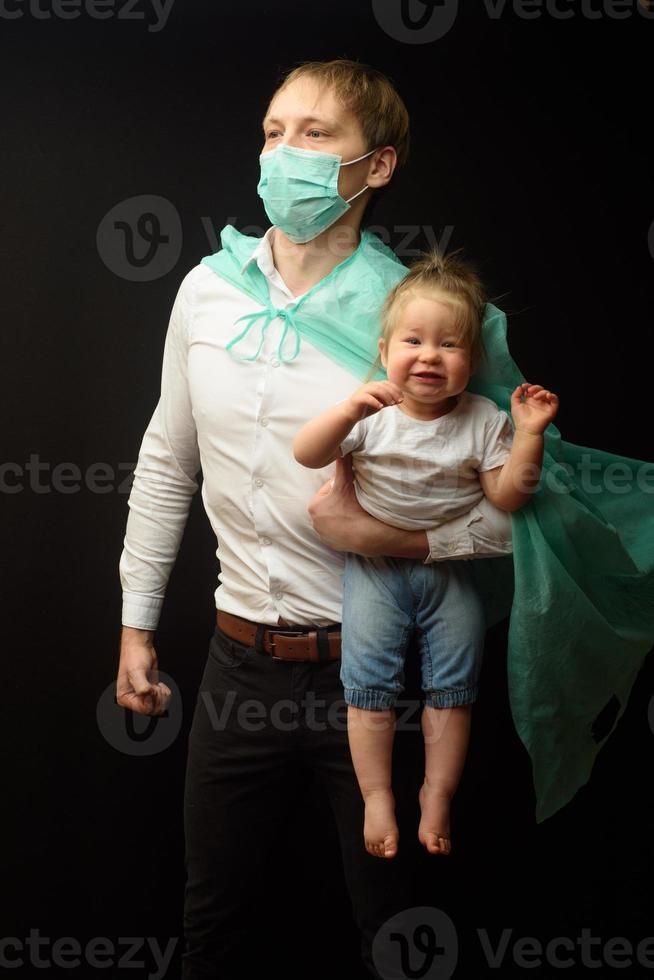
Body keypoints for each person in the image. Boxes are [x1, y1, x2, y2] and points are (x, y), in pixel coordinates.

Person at [115, 59, 515, 980]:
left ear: (377, 166)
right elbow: (168, 460)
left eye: (314, 134)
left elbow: (512, 518)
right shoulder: (206, 291)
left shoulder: (422, 317)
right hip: (237, 662)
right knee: (214, 926)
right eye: (272, 132)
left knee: (402, 932)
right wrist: (137, 625)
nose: (283, 153)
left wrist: (397, 541)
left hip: (381, 669)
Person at [293, 250, 559, 861]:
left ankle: (437, 795)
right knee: (367, 688)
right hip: (375, 572)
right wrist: (345, 411)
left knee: (454, 689)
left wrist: (530, 435)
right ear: (385, 351)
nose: (430, 356)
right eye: (413, 340)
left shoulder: (482, 418)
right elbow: (307, 455)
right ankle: (378, 796)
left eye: (450, 345)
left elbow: (508, 496)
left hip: (451, 575)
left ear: (473, 361)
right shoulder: (373, 411)